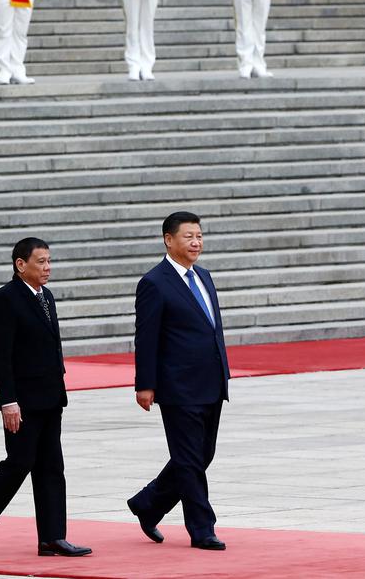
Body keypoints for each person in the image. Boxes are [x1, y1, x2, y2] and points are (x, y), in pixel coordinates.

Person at [0, 237, 92, 558]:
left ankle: (52, 537)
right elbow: (0, 357)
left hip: (50, 397)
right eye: (41, 262)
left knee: (51, 467)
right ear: (21, 265)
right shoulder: (4, 300)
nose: (48, 268)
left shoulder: (47, 297)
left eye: (49, 261)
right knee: (19, 463)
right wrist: (8, 401)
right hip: (22, 401)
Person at [127, 212, 231, 551]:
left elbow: (211, 329)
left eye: (199, 235)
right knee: (188, 459)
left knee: (202, 455)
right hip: (177, 386)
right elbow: (146, 337)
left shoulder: (204, 275)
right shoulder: (154, 282)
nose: (196, 242)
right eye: (188, 236)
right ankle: (202, 529)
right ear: (168, 240)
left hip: (211, 382)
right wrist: (145, 383)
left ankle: (149, 504)